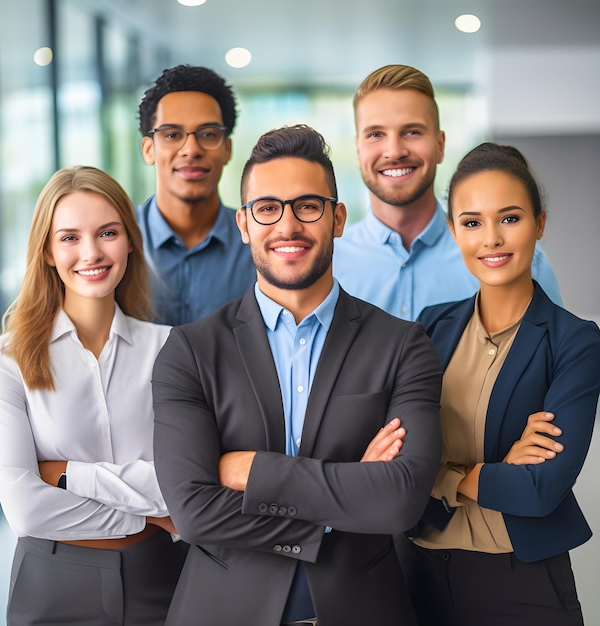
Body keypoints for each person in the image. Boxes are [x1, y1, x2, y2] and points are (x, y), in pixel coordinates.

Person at [152, 124, 443, 626]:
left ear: (337, 218)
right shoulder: (189, 351)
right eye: (267, 208)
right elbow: (193, 512)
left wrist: (253, 473)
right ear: (244, 223)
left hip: (363, 609)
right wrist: (347, 496)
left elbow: (399, 501)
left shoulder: (403, 345)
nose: (288, 225)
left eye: (308, 205)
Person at [394, 143, 600, 626]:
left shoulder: (575, 341)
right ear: (453, 233)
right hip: (417, 571)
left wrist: (448, 475)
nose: (491, 239)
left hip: (521, 583)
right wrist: (496, 469)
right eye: (471, 222)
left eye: (509, 218)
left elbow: (539, 489)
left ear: (539, 224)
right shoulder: (430, 328)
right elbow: (395, 462)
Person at [0, 166, 187, 625]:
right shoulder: (6, 359)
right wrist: (151, 518)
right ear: (48, 252)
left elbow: (184, 487)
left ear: (130, 240)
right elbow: (26, 510)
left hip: (166, 578)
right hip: (53, 583)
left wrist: (69, 474)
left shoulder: (173, 349)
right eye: (69, 237)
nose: (91, 252)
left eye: (107, 232)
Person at [333, 64, 562, 321]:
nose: (394, 151)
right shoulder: (328, 264)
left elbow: (556, 348)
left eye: (412, 132)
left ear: (440, 145)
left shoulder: (515, 257)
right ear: (357, 148)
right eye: (376, 134)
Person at [137, 63, 256, 325]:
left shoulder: (258, 243)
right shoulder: (118, 239)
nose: (191, 149)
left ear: (227, 149)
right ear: (149, 150)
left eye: (208, 134)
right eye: (172, 134)